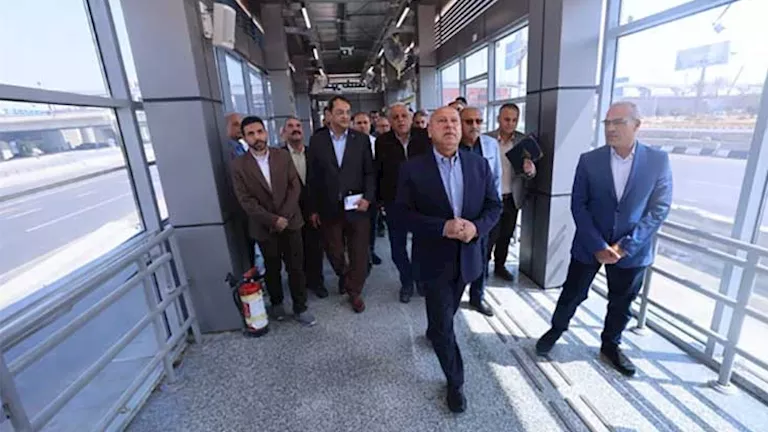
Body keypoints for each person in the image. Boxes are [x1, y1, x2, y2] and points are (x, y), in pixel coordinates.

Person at [535, 102, 673, 377]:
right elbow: (578, 204)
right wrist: (598, 245)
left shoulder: (657, 161)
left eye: (618, 122)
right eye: (607, 123)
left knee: (622, 303)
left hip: (632, 250)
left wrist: (626, 246)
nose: (610, 128)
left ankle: (611, 345)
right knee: (572, 293)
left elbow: (659, 208)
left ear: (637, 125)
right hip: (590, 245)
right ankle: (556, 329)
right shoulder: (590, 160)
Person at [395, 106, 502, 413]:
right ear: (429, 130)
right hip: (433, 259)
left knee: (447, 310)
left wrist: (476, 228)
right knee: (445, 324)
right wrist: (441, 227)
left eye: (454, 121)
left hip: (467, 259)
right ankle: (455, 383)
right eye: (441, 121)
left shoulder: (478, 165)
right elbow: (401, 215)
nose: (450, 126)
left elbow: (494, 207)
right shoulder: (413, 169)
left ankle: (434, 330)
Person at [231, 116, 317, 326]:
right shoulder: (238, 165)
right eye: (251, 134)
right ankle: (277, 303)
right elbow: (245, 200)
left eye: (260, 132)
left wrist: (284, 217)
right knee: (272, 268)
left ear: (266, 132)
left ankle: (300, 307)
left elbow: (294, 187)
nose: (257, 137)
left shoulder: (282, 156)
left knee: (296, 267)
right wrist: (272, 220)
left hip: (291, 222)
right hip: (264, 227)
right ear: (244, 137)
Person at [307, 95, 376, 313]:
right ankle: (347, 277)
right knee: (334, 251)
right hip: (329, 207)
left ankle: (354, 292)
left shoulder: (361, 140)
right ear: (328, 115)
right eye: (340, 112)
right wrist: (313, 208)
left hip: (357, 206)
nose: (345, 116)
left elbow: (370, 172)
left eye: (347, 112)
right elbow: (312, 177)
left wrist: (368, 198)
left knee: (359, 253)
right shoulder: (317, 141)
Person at [375, 103, 431, 303]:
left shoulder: (424, 137)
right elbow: (379, 171)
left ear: (411, 118)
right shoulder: (382, 141)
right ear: (389, 121)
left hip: (421, 201)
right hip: (394, 201)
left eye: (404, 116)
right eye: (395, 117)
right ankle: (406, 281)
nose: (400, 120)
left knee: (421, 245)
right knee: (397, 248)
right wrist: (379, 199)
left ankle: (420, 278)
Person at [458, 107, 502, 317]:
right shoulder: (450, 145)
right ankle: (452, 296)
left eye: (478, 121)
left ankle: (478, 296)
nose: (474, 126)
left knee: (482, 257)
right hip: (456, 213)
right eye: (469, 121)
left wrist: (493, 211)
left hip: (481, 215)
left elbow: (496, 178)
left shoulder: (490, 145)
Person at [485, 103, 536, 280]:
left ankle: (500, 266)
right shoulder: (486, 140)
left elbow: (531, 172)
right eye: (507, 119)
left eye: (514, 120)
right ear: (498, 119)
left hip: (512, 197)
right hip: (491, 197)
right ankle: (482, 267)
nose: (510, 124)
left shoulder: (523, 141)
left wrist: (530, 170)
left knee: (506, 235)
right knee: (489, 235)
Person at [282, 116, 327, 298]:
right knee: (294, 252)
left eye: (298, 125)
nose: (295, 129)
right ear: (283, 132)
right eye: (290, 126)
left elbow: (320, 183)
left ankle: (317, 282)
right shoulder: (278, 156)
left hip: (312, 210)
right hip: (290, 211)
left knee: (315, 248)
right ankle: (300, 286)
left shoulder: (313, 153)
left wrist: (316, 209)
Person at [352, 111, 383, 267]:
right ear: (352, 125)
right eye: (359, 123)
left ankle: (371, 251)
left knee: (372, 224)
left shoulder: (376, 142)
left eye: (365, 123)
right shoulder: (348, 144)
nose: (362, 126)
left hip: (373, 191)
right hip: (354, 192)